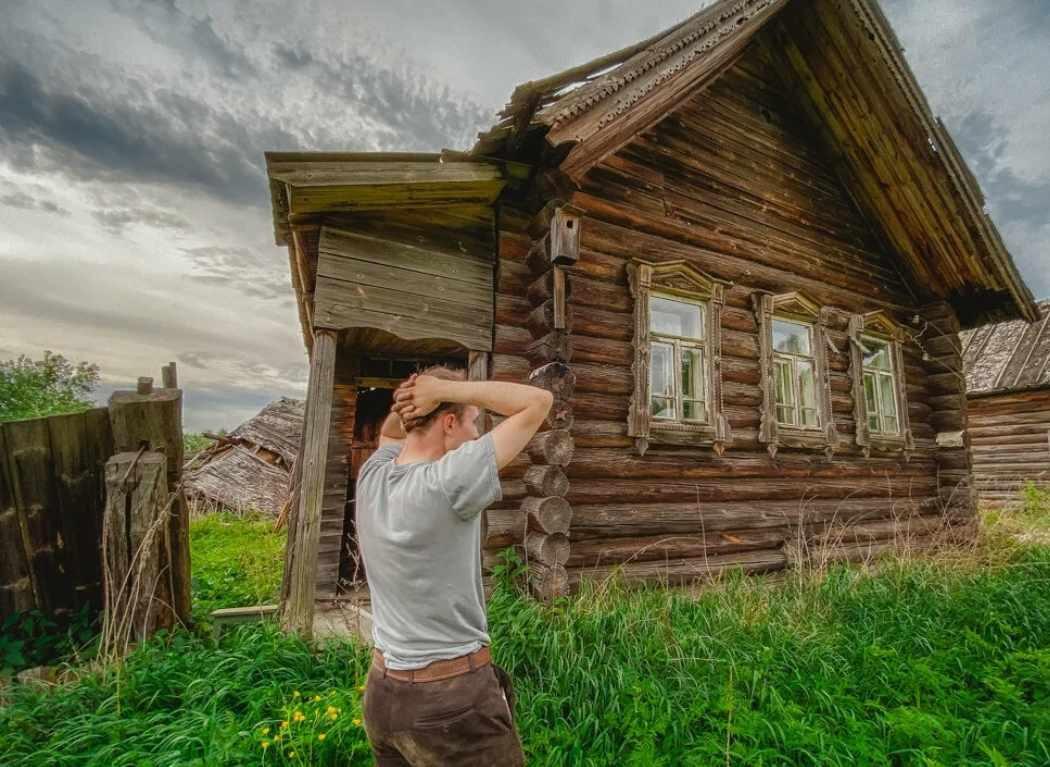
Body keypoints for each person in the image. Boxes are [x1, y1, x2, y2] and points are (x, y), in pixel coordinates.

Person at [356, 365, 553, 766]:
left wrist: (415, 395)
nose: (476, 435)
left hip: (383, 695)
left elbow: (393, 432)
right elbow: (538, 402)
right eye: (472, 421)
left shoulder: (372, 476)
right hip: (450, 704)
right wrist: (446, 388)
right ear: (448, 422)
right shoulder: (448, 481)